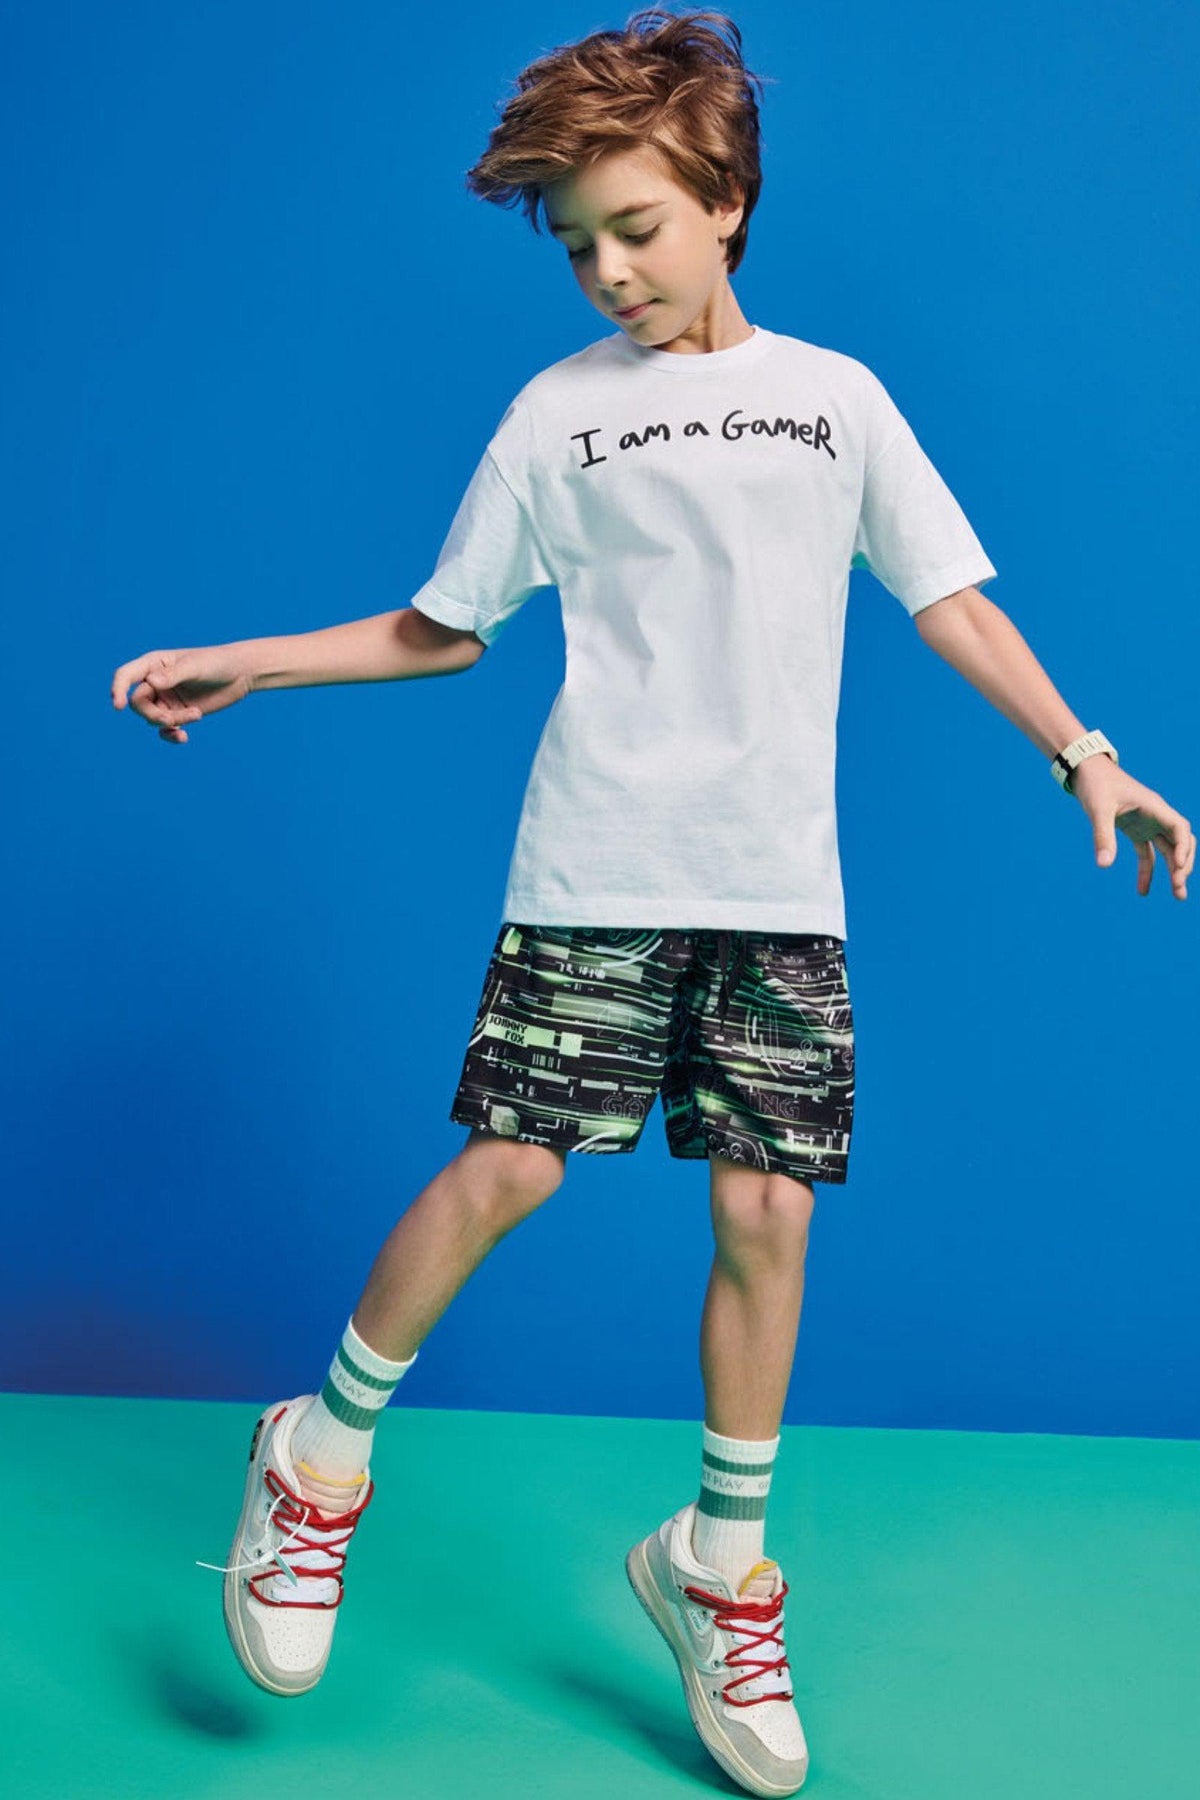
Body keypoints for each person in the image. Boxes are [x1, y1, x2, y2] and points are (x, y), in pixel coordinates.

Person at [109, 9, 1193, 1796]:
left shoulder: (838, 400)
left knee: (768, 1212)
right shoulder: (556, 418)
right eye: (578, 245)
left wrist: (1085, 753)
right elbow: (444, 627)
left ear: (728, 199)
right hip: (598, 864)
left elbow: (948, 596)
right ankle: (317, 1452)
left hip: (779, 890)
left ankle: (717, 1564)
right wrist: (257, 661)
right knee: (512, 1167)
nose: (609, 271)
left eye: (638, 227)